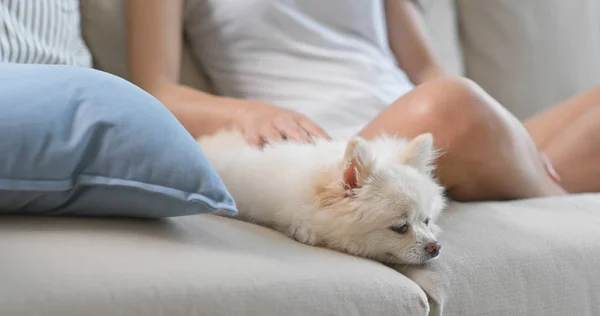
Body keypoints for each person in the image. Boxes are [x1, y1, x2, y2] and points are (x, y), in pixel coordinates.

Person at [125, 0, 600, 201]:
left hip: (436, 125)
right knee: (447, 104)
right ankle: (546, 195)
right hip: (352, 148)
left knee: (447, 102)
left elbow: (428, 70)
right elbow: (155, 87)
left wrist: (506, 133)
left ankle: (517, 173)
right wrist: (249, 112)